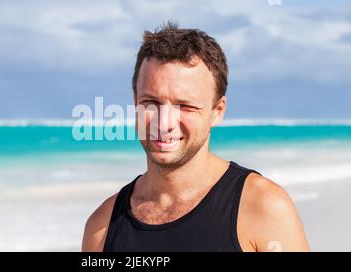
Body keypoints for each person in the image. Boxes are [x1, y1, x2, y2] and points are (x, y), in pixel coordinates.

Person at [82, 22, 310, 252]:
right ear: (135, 102)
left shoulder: (263, 208)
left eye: (185, 106)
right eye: (151, 103)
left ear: (217, 111)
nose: (164, 123)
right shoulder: (102, 228)